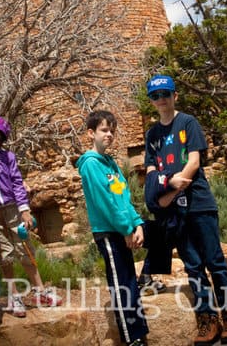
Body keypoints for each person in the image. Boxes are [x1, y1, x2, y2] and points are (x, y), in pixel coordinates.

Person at [144, 74, 227, 345]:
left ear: (175, 95)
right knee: (193, 266)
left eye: (165, 94)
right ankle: (207, 320)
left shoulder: (187, 123)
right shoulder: (152, 134)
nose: (161, 100)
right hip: (175, 213)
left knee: (215, 262)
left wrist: (171, 193)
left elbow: (194, 163)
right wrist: (160, 196)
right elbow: (152, 171)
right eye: (155, 96)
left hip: (198, 204)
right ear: (151, 101)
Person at [77, 110, 149, 346]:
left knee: (129, 282)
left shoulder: (111, 164)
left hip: (122, 229)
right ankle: (131, 338)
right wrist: (125, 228)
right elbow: (105, 203)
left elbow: (122, 197)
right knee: (121, 285)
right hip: (109, 233)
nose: (109, 135)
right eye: (103, 130)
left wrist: (136, 223)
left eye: (112, 131)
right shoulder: (90, 164)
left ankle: (139, 333)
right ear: (91, 133)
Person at [0, 115, 62, 317]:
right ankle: (14, 296)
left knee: (24, 249)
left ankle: (40, 291)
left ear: (2, 141)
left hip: (12, 209)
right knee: (5, 255)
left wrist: (24, 209)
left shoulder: (7, 157)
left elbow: (17, 183)